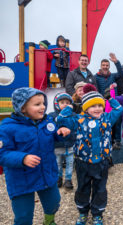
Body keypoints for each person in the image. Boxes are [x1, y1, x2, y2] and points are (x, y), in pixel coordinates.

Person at [0, 87, 70, 225]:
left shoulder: (47, 121)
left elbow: (54, 135)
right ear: (22, 108)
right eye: (37, 104)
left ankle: (49, 221)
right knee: (23, 216)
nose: (43, 107)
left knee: (54, 203)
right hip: (21, 180)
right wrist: (22, 158)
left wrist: (60, 133)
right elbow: (2, 154)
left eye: (43, 103)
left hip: (46, 173)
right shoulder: (7, 127)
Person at [57, 83, 123, 225]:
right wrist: (71, 107)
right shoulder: (78, 119)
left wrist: (109, 99)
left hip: (101, 162)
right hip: (83, 162)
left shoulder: (106, 118)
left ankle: (97, 214)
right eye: (93, 106)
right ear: (85, 107)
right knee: (82, 188)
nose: (97, 109)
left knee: (100, 190)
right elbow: (61, 119)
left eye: (99, 105)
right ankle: (82, 212)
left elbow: (118, 109)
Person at [49, 93, 76, 190]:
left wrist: (71, 135)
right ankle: (58, 178)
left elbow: (76, 129)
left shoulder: (73, 116)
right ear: (57, 104)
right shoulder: (52, 116)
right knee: (58, 163)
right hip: (58, 146)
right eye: (62, 102)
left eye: (67, 103)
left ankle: (68, 179)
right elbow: (51, 128)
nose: (65, 104)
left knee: (70, 164)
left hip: (69, 145)